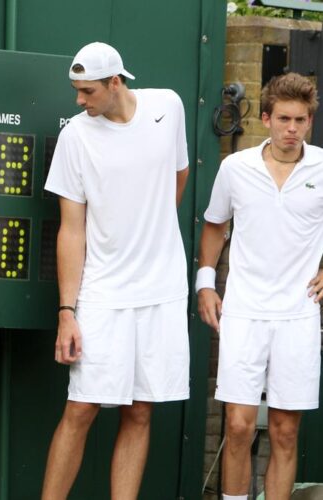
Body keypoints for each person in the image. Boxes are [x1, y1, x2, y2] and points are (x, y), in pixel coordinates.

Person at [41, 41, 190, 499]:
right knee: (82, 408)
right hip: (102, 295)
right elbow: (71, 229)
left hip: (162, 291)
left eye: (87, 91)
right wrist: (68, 310)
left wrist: (152, 234)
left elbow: (178, 176)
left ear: (115, 82)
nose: (79, 101)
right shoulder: (75, 137)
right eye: (76, 91)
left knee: (141, 411)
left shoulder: (168, 107)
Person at [197, 72, 323, 500]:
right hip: (244, 312)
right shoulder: (235, 168)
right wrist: (205, 283)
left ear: (310, 122)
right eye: (284, 119)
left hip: (299, 314)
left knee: (286, 432)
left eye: (301, 120)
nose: (292, 129)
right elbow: (215, 226)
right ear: (266, 118)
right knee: (237, 426)